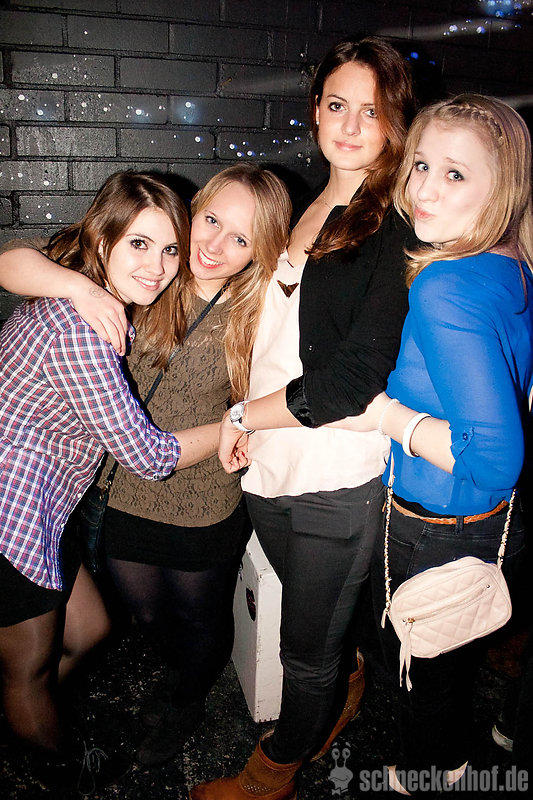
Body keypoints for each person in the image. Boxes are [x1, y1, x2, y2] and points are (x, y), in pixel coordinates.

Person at [0, 164, 292, 769]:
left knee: (197, 620)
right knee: (146, 616)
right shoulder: (141, 272)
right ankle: (45, 718)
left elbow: (291, 388)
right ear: (193, 213)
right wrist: (79, 288)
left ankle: (186, 699)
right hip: (124, 489)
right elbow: (11, 261)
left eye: (241, 238)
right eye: (210, 221)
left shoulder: (261, 306)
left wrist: (247, 425)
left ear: (259, 250)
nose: (214, 246)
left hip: (203, 495)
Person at [192, 36, 416, 800]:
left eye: (371, 111)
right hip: (268, 463)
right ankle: (346, 682)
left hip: (334, 474)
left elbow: (348, 381)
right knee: (321, 633)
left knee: (302, 655)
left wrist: (239, 415)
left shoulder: (394, 226)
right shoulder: (303, 204)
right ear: (315, 110)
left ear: (394, 122)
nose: (350, 125)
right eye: (336, 104)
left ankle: (271, 774)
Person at [319, 94, 533, 790]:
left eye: (455, 173)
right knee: (445, 667)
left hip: (435, 526)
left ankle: (426, 776)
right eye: (420, 165)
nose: (424, 189)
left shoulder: (444, 285)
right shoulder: (509, 262)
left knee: (418, 676)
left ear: (501, 188)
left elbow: (493, 460)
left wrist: (386, 417)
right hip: (486, 528)